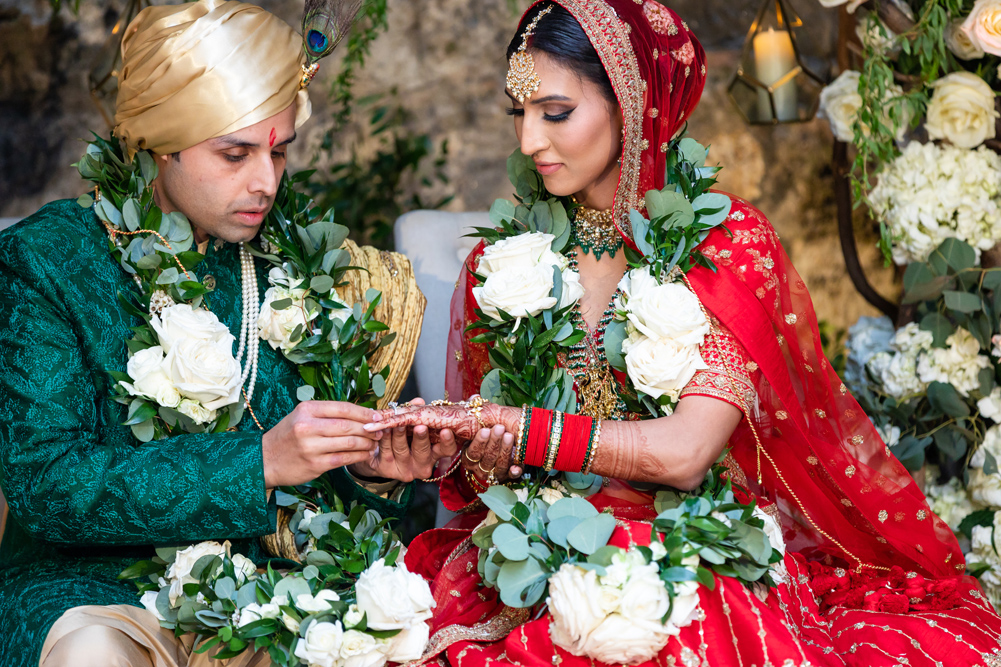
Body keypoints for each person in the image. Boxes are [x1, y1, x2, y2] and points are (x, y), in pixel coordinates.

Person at [366, 1, 1001, 665]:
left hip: (693, 552)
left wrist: (515, 424)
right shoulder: (499, 265)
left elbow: (685, 452)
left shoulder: (723, 249)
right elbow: (481, 483)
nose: (528, 141)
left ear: (634, 104)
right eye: (517, 114)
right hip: (534, 556)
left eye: (554, 112)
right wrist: (465, 448)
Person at [0, 1, 456, 665]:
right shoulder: (50, 260)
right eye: (235, 153)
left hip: (270, 598)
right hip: (93, 590)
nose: (265, 182)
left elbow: (334, 518)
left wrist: (367, 470)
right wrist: (259, 463)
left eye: (279, 152)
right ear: (159, 141)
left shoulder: (303, 265)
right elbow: (49, 485)